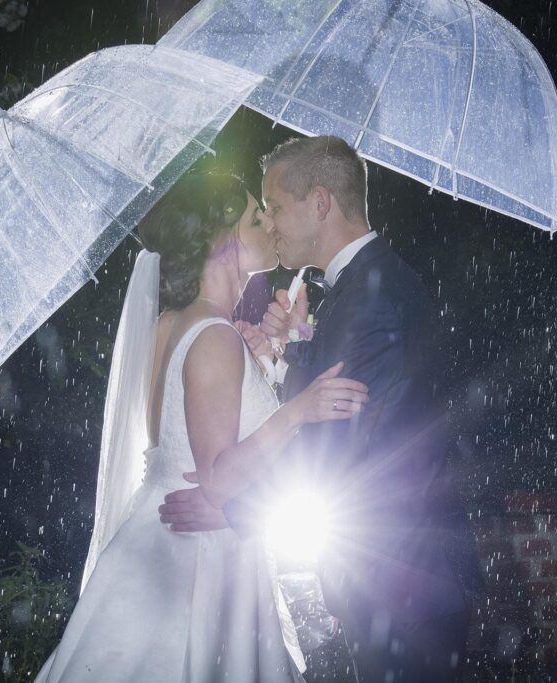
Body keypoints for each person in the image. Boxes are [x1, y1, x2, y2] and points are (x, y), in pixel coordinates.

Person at [160, 137, 480, 682]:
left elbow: (348, 449)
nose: (272, 222)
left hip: (404, 582)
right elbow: (340, 396)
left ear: (321, 202)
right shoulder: (366, 285)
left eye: (276, 207)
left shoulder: (371, 297)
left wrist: (238, 508)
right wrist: (294, 350)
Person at [34, 171, 369, 682]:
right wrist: (299, 407)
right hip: (195, 568)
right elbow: (216, 477)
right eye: (258, 217)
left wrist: (284, 345)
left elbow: (174, 447)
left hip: (158, 549)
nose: (271, 224)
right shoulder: (215, 337)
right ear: (221, 238)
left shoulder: (175, 322)